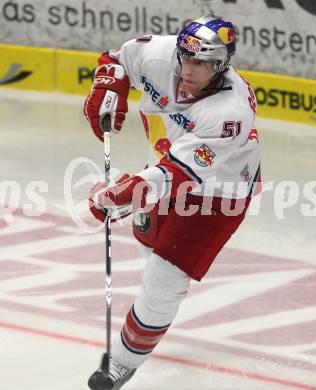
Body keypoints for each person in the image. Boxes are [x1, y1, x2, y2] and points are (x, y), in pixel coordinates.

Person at [84, 13, 261, 390]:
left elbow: (174, 177)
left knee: (164, 280)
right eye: (186, 57)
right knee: (151, 251)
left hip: (218, 193)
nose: (189, 69)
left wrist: (123, 196)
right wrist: (108, 87)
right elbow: (117, 59)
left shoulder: (230, 114)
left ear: (222, 65)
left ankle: (119, 363)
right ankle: (154, 306)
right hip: (166, 168)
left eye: (202, 63)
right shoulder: (158, 54)